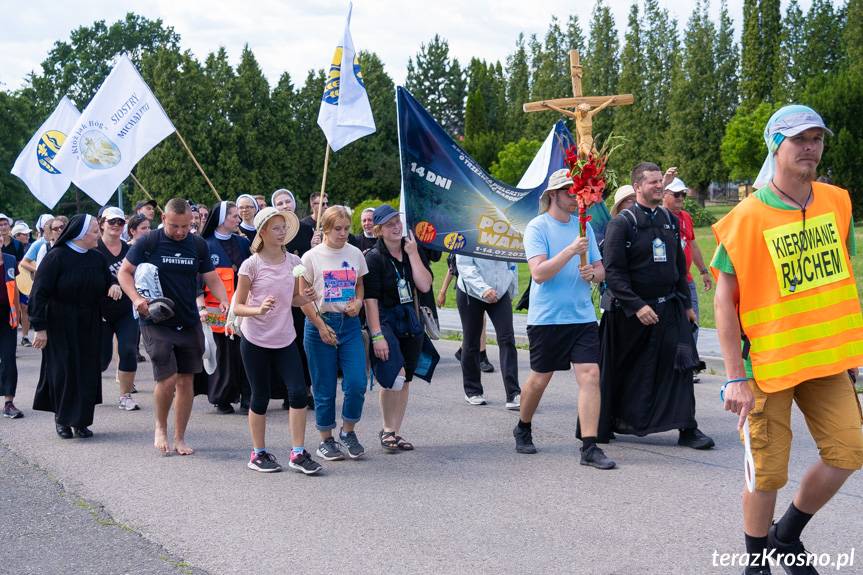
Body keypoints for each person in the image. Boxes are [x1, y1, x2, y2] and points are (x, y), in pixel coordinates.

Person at [715, 105, 863, 575]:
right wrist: (735, 376)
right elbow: (723, 300)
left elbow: (842, 280)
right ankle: (756, 562)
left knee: (849, 451)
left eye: (817, 138)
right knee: (767, 473)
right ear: (775, 145)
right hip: (768, 367)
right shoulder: (746, 216)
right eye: (800, 138)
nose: (810, 147)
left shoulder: (837, 202)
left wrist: (850, 352)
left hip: (826, 362)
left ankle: (787, 534)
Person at [598, 162, 713, 450]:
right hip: (631, 314)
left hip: (669, 309)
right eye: (652, 182)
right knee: (624, 371)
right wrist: (636, 306)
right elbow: (613, 272)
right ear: (637, 187)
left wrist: (686, 304)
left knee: (682, 367)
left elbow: (676, 265)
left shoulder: (669, 220)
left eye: (660, 181)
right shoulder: (622, 224)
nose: (659, 186)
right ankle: (605, 423)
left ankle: (688, 428)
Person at [513, 169, 615, 470]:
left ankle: (589, 447)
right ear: (553, 195)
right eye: (570, 193)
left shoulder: (583, 226)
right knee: (540, 379)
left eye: (579, 193)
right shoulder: (537, 227)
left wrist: (593, 274)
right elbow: (539, 274)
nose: (576, 199)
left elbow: (601, 270)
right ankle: (523, 425)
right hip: (547, 319)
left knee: (590, 375)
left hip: (581, 316)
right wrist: (571, 251)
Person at [118, 198, 229, 455]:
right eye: (174, 226)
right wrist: (137, 299)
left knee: (186, 381)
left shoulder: (197, 244)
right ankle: (160, 427)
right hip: (156, 319)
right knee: (167, 379)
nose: (180, 231)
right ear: (164, 219)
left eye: (185, 226)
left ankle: (180, 437)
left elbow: (211, 276)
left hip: (188, 319)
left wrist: (224, 298)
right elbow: (124, 272)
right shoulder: (149, 242)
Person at [233, 207, 321, 473]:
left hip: (285, 338)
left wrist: (308, 297)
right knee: (259, 397)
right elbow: (237, 307)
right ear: (263, 232)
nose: (282, 232)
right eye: (276, 228)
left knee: (297, 392)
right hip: (255, 339)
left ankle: (297, 452)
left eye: (284, 227)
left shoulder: (294, 262)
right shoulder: (251, 265)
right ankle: (257, 453)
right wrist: (257, 310)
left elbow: (294, 299)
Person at [30, 215, 110, 438]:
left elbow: (107, 282)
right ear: (81, 234)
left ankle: (81, 421)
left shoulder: (97, 258)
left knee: (86, 371)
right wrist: (40, 327)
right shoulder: (57, 257)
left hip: (89, 322)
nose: (98, 235)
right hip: (60, 323)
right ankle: (63, 419)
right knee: (64, 371)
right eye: (95, 231)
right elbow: (39, 293)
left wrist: (113, 287)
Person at [299, 205, 368, 461]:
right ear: (325, 229)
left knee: (357, 382)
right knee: (324, 387)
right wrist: (320, 326)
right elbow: (303, 298)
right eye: (337, 229)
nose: (342, 234)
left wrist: (358, 302)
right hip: (320, 324)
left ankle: (348, 430)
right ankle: (325, 439)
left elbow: (359, 285)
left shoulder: (356, 253)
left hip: (349, 324)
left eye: (346, 229)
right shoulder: (311, 257)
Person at [363, 205, 432, 451]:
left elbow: (424, 285)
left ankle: (395, 431)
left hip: (409, 318)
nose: (396, 227)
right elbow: (369, 301)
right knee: (395, 374)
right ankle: (387, 428)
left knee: (406, 379)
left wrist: (413, 254)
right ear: (379, 229)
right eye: (390, 224)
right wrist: (377, 335)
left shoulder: (411, 249)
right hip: (384, 319)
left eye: (398, 222)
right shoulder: (373, 257)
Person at [200, 201, 252, 414]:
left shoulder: (242, 243)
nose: (238, 219)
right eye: (233, 216)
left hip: (241, 305)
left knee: (244, 351)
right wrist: (200, 306)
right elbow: (198, 278)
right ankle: (222, 397)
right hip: (216, 308)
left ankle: (248, 395)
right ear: (221, 219)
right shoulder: (205, 244)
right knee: (222, 352)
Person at [455, 253, 520, 409]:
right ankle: (472, 391)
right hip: (471, 291)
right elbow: (464, 264)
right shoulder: (469, 229)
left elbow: (511, 262)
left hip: (500, 292)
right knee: (471, 341)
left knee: (507, 339)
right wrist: (483, 289)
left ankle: (513, 394)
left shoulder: (504, 229)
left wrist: (510, 290)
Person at [96, 207, 140, 412]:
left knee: (129, 350)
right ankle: (88, 393)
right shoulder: (93, 248)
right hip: (100, 312)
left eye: (120, 222)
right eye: (111, 221)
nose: (116, 225)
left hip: (126, 310)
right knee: (101, 359)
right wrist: (109, 285)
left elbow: (137, 275)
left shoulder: (130, 250)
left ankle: (125, 395)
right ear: (101, 223)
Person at [275, 188, 315, 409]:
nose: (284, 206)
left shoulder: (309, 229)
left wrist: (315, 246)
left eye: (287, 202)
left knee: (304, 344)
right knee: (285, 346)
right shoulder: (274, 232)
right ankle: (286, 392)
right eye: (279, 203)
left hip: (303, 294)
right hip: (282, 297)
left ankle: (307, 390)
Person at [662, 176, 712, 344]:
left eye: (683, 194)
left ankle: (689, 365)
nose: (681, 198)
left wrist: (703, 271)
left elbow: (692, 244)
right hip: (665, 283)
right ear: (664, 194)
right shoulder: (658, 217)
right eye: (676, 194)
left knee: (692, 324)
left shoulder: (685, 217)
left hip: (686, 280)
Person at [437, 252, 496, 373]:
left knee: (475, 326)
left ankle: (463, 351)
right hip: (467, 291)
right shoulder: (462, 246)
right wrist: (442, 292)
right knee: (478, 323)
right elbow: (452, 269)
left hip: (481, 288)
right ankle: (481, 356)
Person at [1, 247, 22, 418]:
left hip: (7, 317)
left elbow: (14, 287)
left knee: (9, 358)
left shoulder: (9, 259)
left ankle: (9, 402)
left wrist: (18, 314)